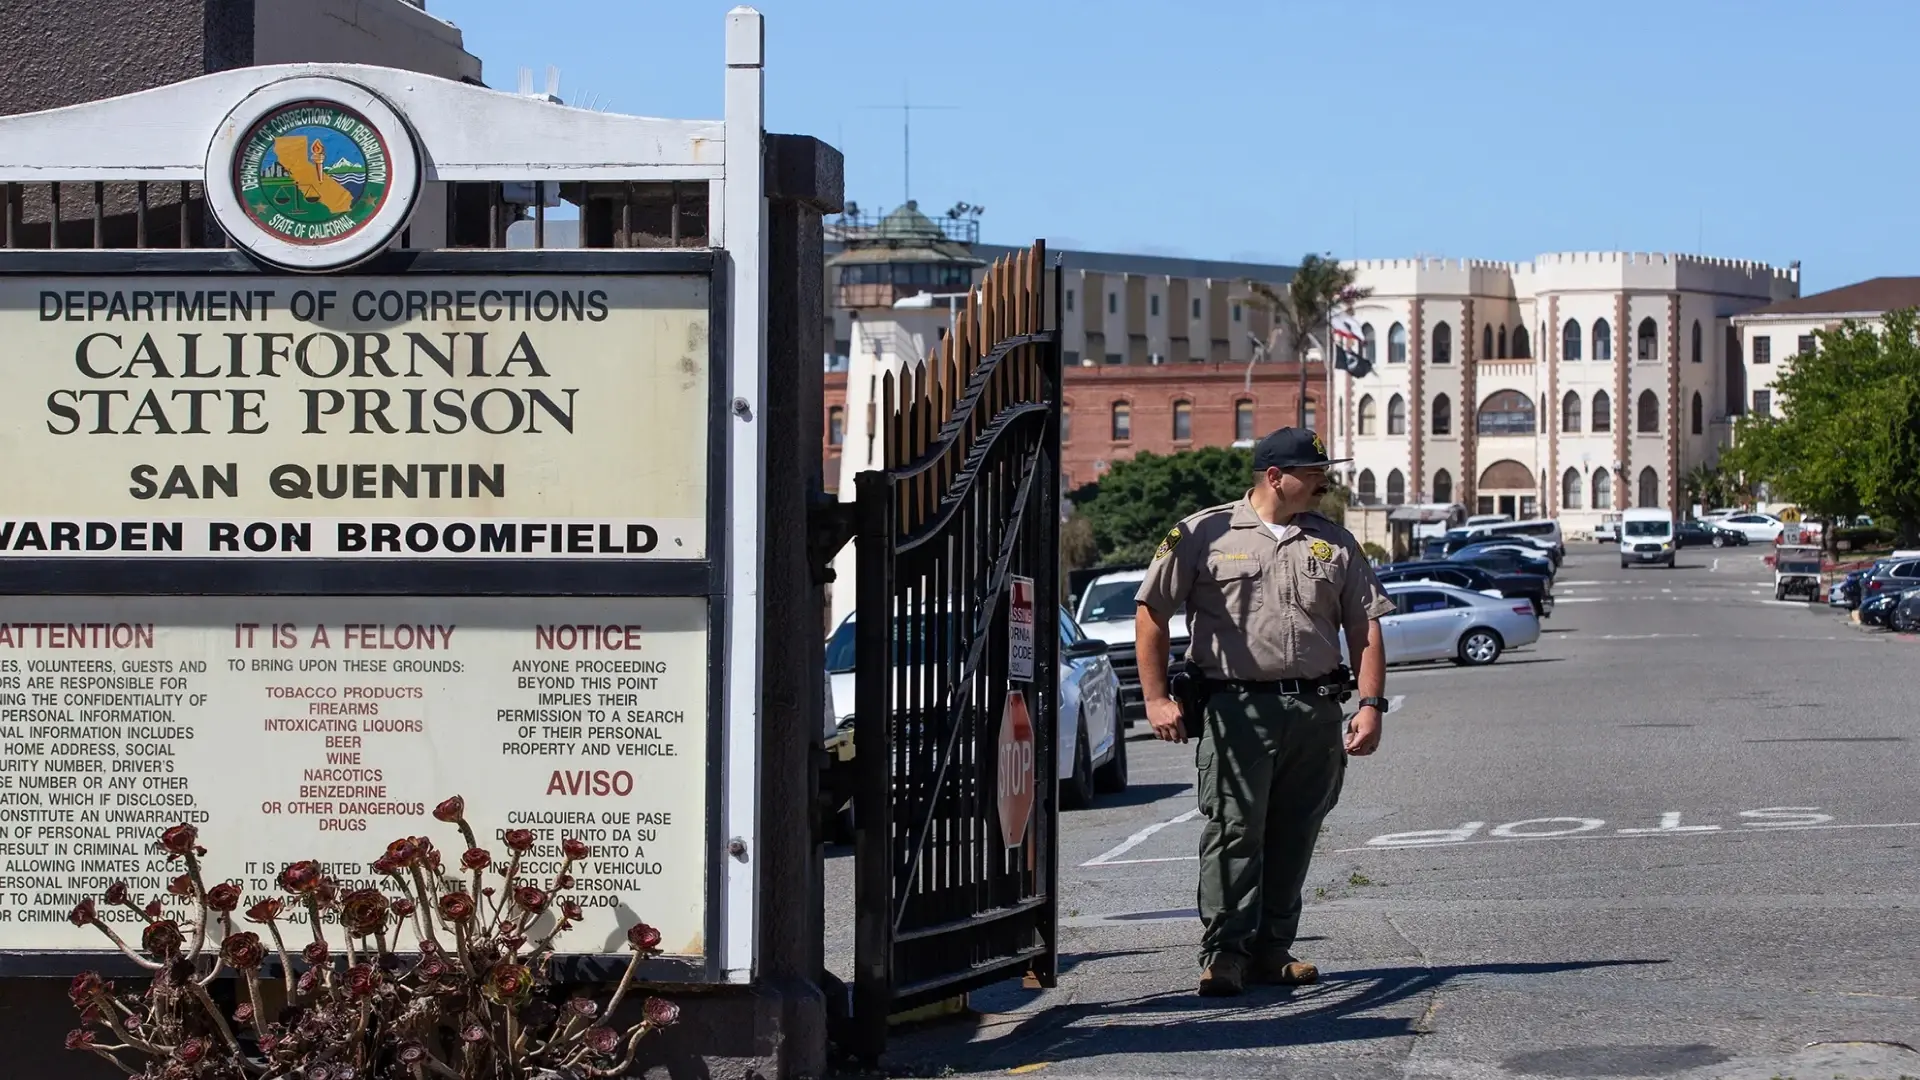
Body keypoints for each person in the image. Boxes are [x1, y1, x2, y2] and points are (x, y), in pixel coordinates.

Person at [1133, 427, 1394, 997]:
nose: (1324, 480)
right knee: (1234, 830)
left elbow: (1364, 627)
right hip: (1235, 709)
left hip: (1316, 708)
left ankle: (1273, 949)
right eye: (1313, 471)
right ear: (1275, 476)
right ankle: (1225, 953)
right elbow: (1151, 611)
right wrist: (1155, 698)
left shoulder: (1335, 543)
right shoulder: (1204, 532)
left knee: (1296, 832)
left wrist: (1370, 705)